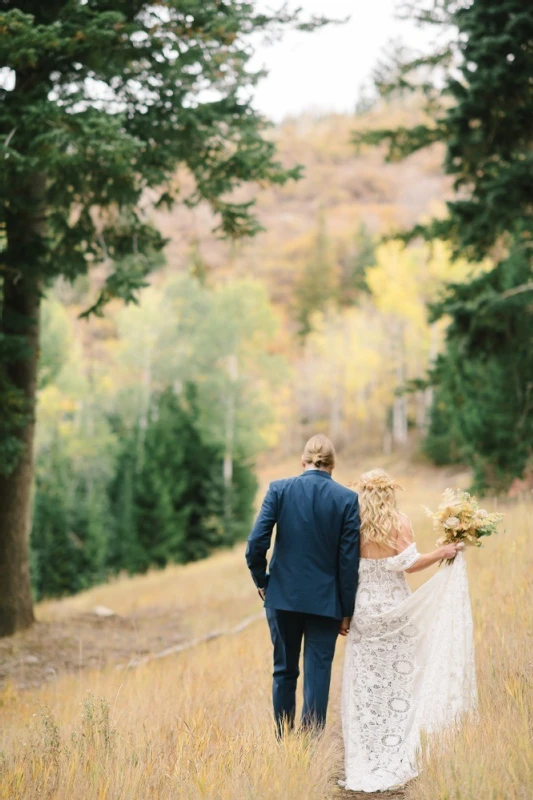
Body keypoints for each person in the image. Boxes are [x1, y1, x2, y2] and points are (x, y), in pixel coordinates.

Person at [340, 469, 477, 793]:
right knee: (401, 683)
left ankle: (365, 757)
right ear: (390, 493)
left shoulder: (350, 523)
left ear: (363, 493)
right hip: (396, 610)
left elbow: (343, 567)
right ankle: (397, 749)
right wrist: (442, 553)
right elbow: (410, 562)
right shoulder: (400, 521)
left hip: (365, 610)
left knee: (365, 687)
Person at [245, 434, 360, 736]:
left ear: (303, 461)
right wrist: (347, 610)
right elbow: (348, 563)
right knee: (317, 673)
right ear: (333, 465)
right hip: (326, 602)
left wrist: (262, 581)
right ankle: (311, 746)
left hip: (282, 597)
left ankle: (285, 743)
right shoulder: (347, 499)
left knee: (284, 670)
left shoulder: (279, 490)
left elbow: (256, 543)